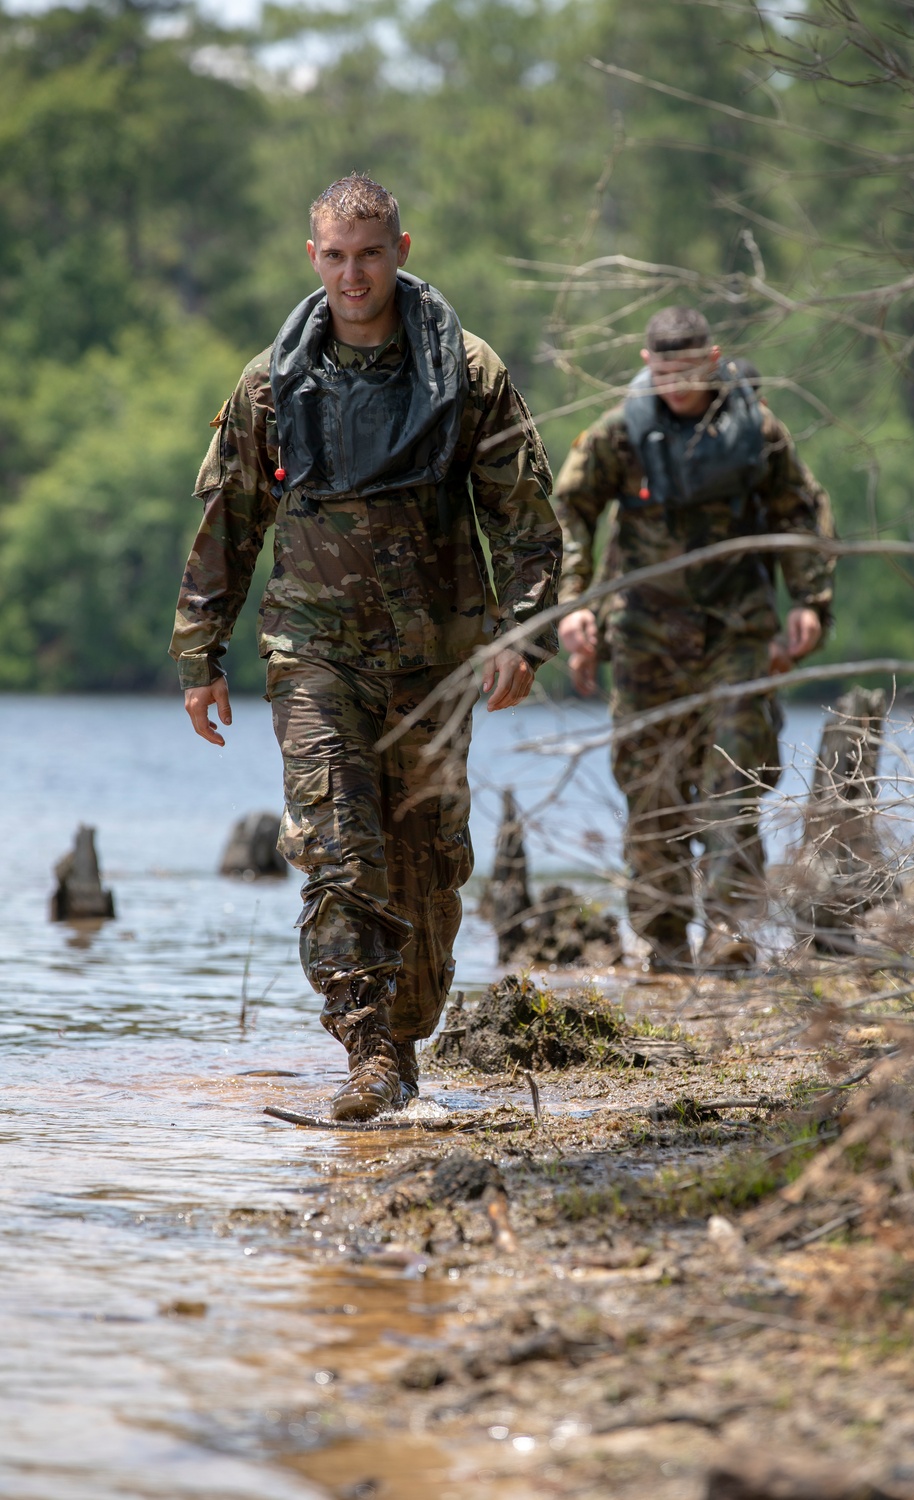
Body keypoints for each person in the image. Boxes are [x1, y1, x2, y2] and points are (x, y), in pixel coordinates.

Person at [170, 174, 561, 1117]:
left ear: (402, 250)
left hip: (436, 657)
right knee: (338, 849)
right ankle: (366, 1051)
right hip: (313, 654)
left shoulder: (465, 374)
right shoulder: (272, 383)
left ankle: (403, 1034)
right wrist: (200, 653)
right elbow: (230, 523)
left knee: (426, 864)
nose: (354, 274)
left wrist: (524, 634)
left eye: (371, 253)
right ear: (314, 258)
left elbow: (526, 522)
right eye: (336, 256)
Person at [553, 307, 834, 972]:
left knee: (732, 785)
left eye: (689, 369)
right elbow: (568, 511)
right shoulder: (620, 436)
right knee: (653, 790)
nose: (676, 383)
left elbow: (801, 508)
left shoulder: (756, 433)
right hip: (646, 635)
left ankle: (733, 937)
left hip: (738, 631)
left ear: (714, 359)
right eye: (664, 371)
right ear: (648, 366)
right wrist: (573, 604)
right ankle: (665, 944)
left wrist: (813, 601)